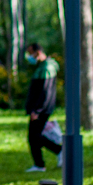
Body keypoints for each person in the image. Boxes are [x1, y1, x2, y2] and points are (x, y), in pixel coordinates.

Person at [23, 41, 63, 172]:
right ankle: (41, 162)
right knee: (34, 136)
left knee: (34, 136)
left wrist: (37, 110)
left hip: (41, 109)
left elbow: (44, 92)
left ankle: (57, 152)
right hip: (38, 109)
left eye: (31, 53)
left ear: (38, 53)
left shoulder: (47, 68)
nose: (30, 57)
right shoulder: (42, 67)